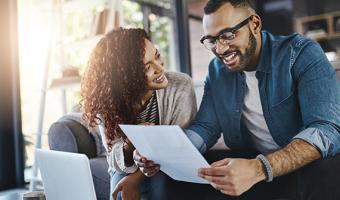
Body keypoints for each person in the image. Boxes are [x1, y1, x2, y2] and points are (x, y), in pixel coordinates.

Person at [134, 0, 340, 199]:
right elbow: (205, 128)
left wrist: (259, 168)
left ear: (255, 24)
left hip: (303, 166)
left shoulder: (301, 54)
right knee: (167, 176)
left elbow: (327, 129)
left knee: (325, 168)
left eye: (228, 34)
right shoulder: (217, 72)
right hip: (254, 163)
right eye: (212, 40)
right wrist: (163, 153)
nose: (220, 49)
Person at [80, 28, 197, 200]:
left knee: (159, 187)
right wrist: (129, 146)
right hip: (130, 164)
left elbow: (179, 147)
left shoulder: (181, 85)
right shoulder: (108, 101)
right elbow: (114, 159)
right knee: (119, 192)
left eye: (157, 56)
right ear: (125, 76)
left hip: (169, 161)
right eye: (147, 67)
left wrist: (135, 180)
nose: (160, 68)